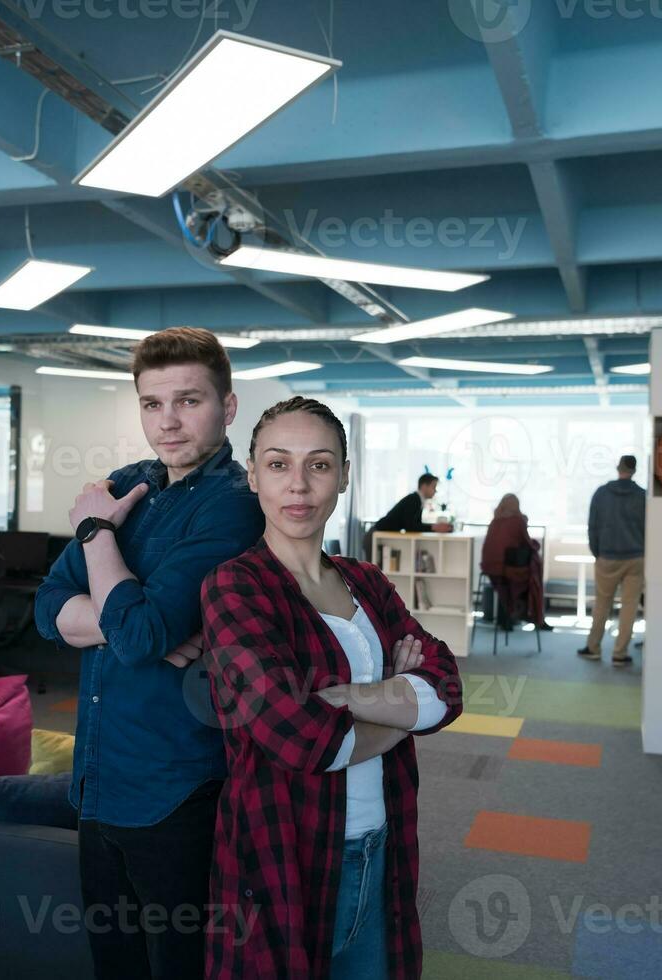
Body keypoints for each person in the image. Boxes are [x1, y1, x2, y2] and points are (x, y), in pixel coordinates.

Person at [201, 397, 463, 978]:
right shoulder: (236, 587)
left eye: (319, 465)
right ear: (252, 475)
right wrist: (400, 706)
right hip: (284, 853)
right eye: (278, 464)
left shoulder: (366, 580)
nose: (299, 485)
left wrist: (347, 700)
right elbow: (301, 739)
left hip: (383, 841)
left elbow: (445, 689)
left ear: (343, 477)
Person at [34, 327, 264, 980]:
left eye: (189, 401)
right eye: (151, 403)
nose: (167, 422)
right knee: (115, 961)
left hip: (175, 786)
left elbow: (137, 634)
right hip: (97, 776)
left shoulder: (235, 503)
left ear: (228, 405)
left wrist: (95, 534)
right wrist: (130, 620)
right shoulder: (127, 484)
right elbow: (47, 608)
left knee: (177, 964)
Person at [578, 455, 646, 666]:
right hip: (636, 556)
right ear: (634, 471)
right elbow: (649, 528)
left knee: (602, 604)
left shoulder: (601, 494)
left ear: (618, 469)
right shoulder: (643, 496)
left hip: (607, 556)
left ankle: (594, 647)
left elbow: (592, 526)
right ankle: (619, 653)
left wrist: (597, 552)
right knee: (629, 606)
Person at [480, 493, 549, 631]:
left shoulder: (495, 520)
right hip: (507, 569)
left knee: (516, 578)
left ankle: (510, 617)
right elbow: (527, 543)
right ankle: (533, 616)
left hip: (490, 568)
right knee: (534, 573)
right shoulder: (518, 521)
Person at [372, 473, 442, 533]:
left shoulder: (417, 499)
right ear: (424, 486)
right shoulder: (413, 500)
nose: (435, 491)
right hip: (377, 535)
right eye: (433, 487)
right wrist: (434, 527)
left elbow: (415, 525)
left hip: (380, 534)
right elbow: (410, 527)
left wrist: (434, 527)